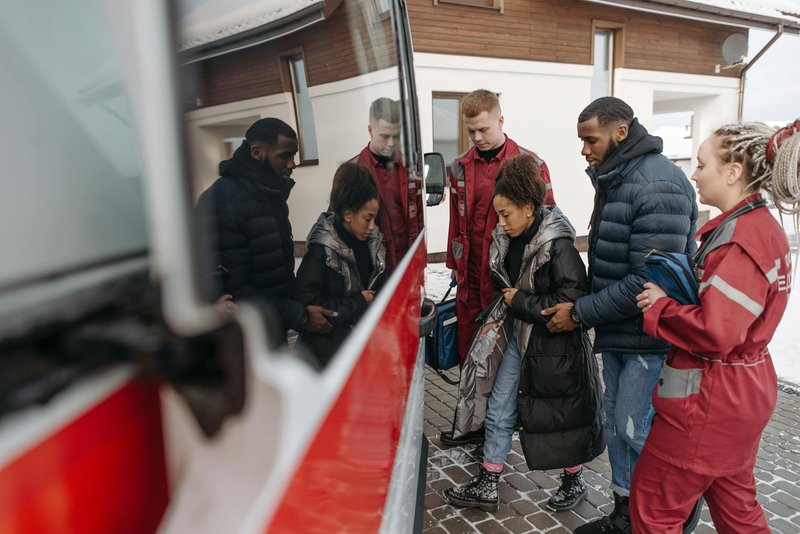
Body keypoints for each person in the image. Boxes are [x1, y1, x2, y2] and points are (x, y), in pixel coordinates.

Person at [631, 121, 799, 532]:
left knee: (655, 510)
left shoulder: (740, 240)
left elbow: (718, 332)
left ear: (733, 171)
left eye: (702, 163)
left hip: (708, 400)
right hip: (741, 394)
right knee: (735, 505)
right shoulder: (762, 229)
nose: (694, 173)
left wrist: (662, 307)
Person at [540, 97, 697, 534]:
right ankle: (627, 516)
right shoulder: (618, 177)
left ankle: (672, 514)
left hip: (650, 336)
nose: (584, 150)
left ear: (620, 132)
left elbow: (649, 280)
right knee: (619, 428)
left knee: (638, 429)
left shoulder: (656, 184)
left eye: (590, 139)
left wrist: (581, 313)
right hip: (619, 330)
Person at [443, 154, 605, 513]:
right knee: (500, 405)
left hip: (554, 345)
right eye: (498, 215)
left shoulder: (558, 246)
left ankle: (573, 477)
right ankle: (488, 480)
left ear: (529, 209)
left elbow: (573, 299)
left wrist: (522, 302)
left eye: (506, 214)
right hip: (517, 336)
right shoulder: (507, 236)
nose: (500, 223)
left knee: (562, 413)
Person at [440, 89, 555, 448]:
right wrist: (454, 268)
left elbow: (548, 224)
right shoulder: (458, 166)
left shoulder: (530, 164)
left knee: (502, 360)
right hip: (469, 281)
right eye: (470, 131)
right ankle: (471, 425)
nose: (477, 138)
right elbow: (454, 223)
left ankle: (497, 428)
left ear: (500, 121)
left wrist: (534, 282)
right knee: (470, 356)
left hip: (508, 282)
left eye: (484, 130)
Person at [195, 117, 336, 344]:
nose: (292, 164)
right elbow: (237, 291)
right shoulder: (226, 203)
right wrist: (300, 315)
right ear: (257, 152)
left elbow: (275, 269)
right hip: (243, 338)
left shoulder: (268, 193)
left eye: (294, 155)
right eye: (285, 156)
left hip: (272, 323)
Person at [296, 163, 387, 366]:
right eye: (367, 218)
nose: (372, 227)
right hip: (330, 359)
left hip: (363, 353)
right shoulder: (322, 251)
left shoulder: (373, 243)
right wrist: (358, 303)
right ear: (348, 214)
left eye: (375, 218)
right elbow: (308, 305)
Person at [330, 97, 422, 273]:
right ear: (370, 130)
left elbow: (418, 218)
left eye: (396, 136)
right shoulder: (350, 173)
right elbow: (336, 228)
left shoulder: (410, 168)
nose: (391, 143)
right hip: (368, 269)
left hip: (407, 267)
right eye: (384, 136)